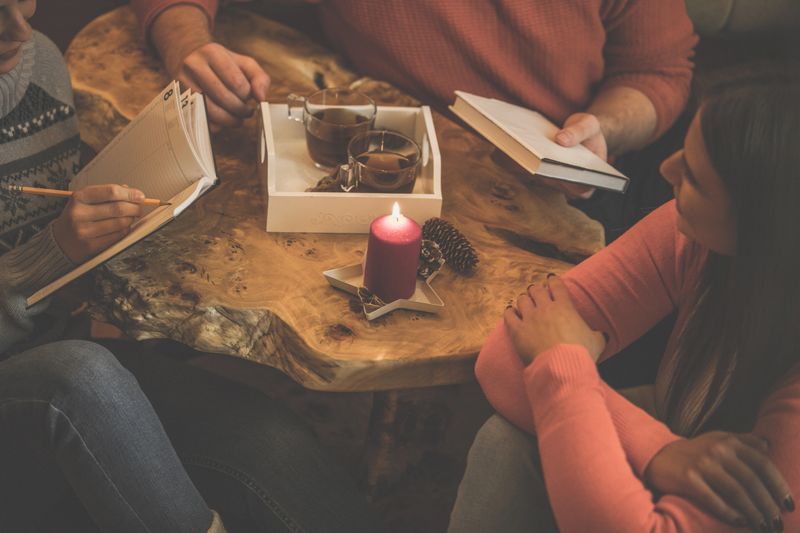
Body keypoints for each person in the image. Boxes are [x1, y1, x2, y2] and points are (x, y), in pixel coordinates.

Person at [0, 2, 383, 531]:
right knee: (81, 377)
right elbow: (49, 273)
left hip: (69, 354)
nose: (19, 28)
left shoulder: (38, 61)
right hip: (59, 377)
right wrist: (48, 254)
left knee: (273, 442)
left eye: (22, 1)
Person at [448, 67, 800, 532]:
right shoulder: (693, 238)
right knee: (506, 441)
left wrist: (564, 363)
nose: (665, 170)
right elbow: (503, 356)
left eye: (693, 177)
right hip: (682, 431)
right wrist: (659, 450)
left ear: (761, 229)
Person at [131, 0, 698, 240]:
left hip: (568, 183)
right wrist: (186, 43)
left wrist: (602, 128)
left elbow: (658, 68)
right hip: (395, 152)